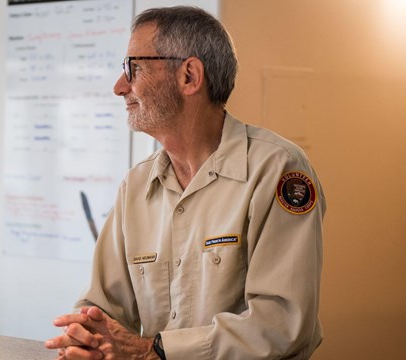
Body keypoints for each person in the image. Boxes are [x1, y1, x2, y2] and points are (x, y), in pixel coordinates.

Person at [45, 5, 325, 360]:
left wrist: (156, 351)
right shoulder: (136, 184)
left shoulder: (277, 169)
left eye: (135, 68)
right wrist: (88, 335)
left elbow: (282, 325)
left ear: (189, 76)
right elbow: (105, 306)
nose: (119, 87)